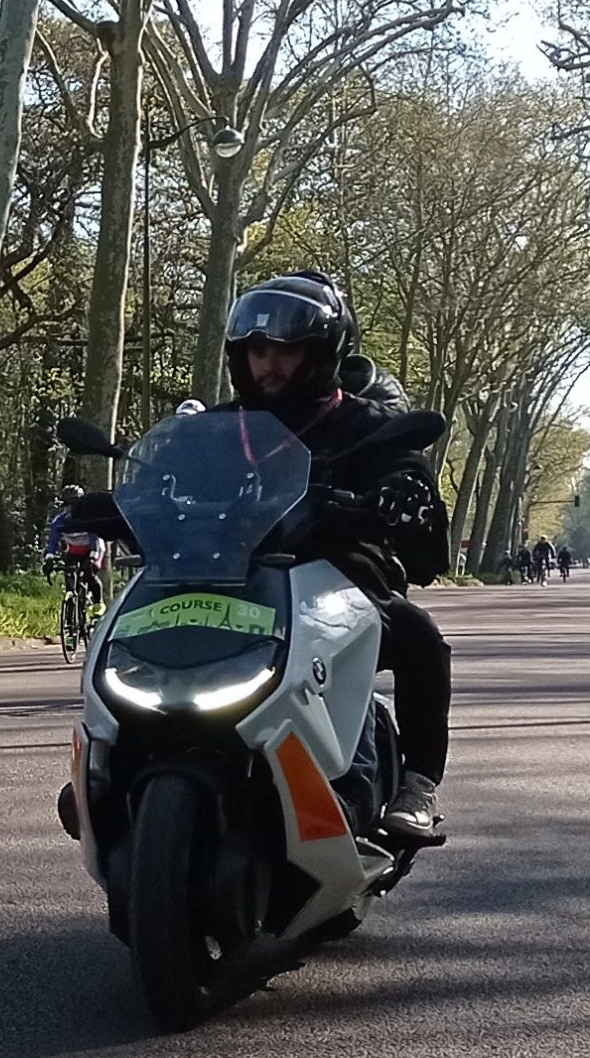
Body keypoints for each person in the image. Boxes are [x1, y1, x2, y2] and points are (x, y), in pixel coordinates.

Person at [115, 272, 454, 838]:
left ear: (321, 354)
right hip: (217, 582)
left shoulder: (370, 428)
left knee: (420, 639)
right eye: (258, 350)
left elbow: (415, 503)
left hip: (336, 588)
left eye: (286, 351)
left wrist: (403, 495)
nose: (269, 364)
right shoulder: (211, 431)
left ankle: (417, 784)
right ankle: (112, 761)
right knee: (124, 631)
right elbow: (155, 485)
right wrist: (114, 506)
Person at [44, 485, 106, 616]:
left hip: (93, 549)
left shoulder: (89, 518)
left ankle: (98, 603)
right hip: (74, 550)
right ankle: (72, 616)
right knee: (70, 581)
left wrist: (92, 558)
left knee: (90, 574)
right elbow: (53, 541)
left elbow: (94, 539)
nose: (71, 508)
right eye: (67, 504)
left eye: (75, 504)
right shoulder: (59, 521)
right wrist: (49, 558)